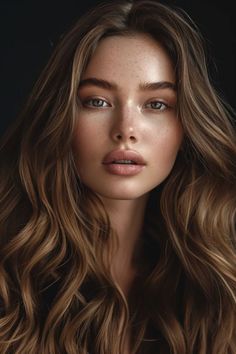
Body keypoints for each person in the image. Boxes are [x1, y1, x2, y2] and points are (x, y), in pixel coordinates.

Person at [0, 0, 235, 353]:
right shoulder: (11, 278)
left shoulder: (214, 282)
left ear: (186, 126)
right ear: (60, 117)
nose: (126, 130)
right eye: (97, 101)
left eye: (156, 104)